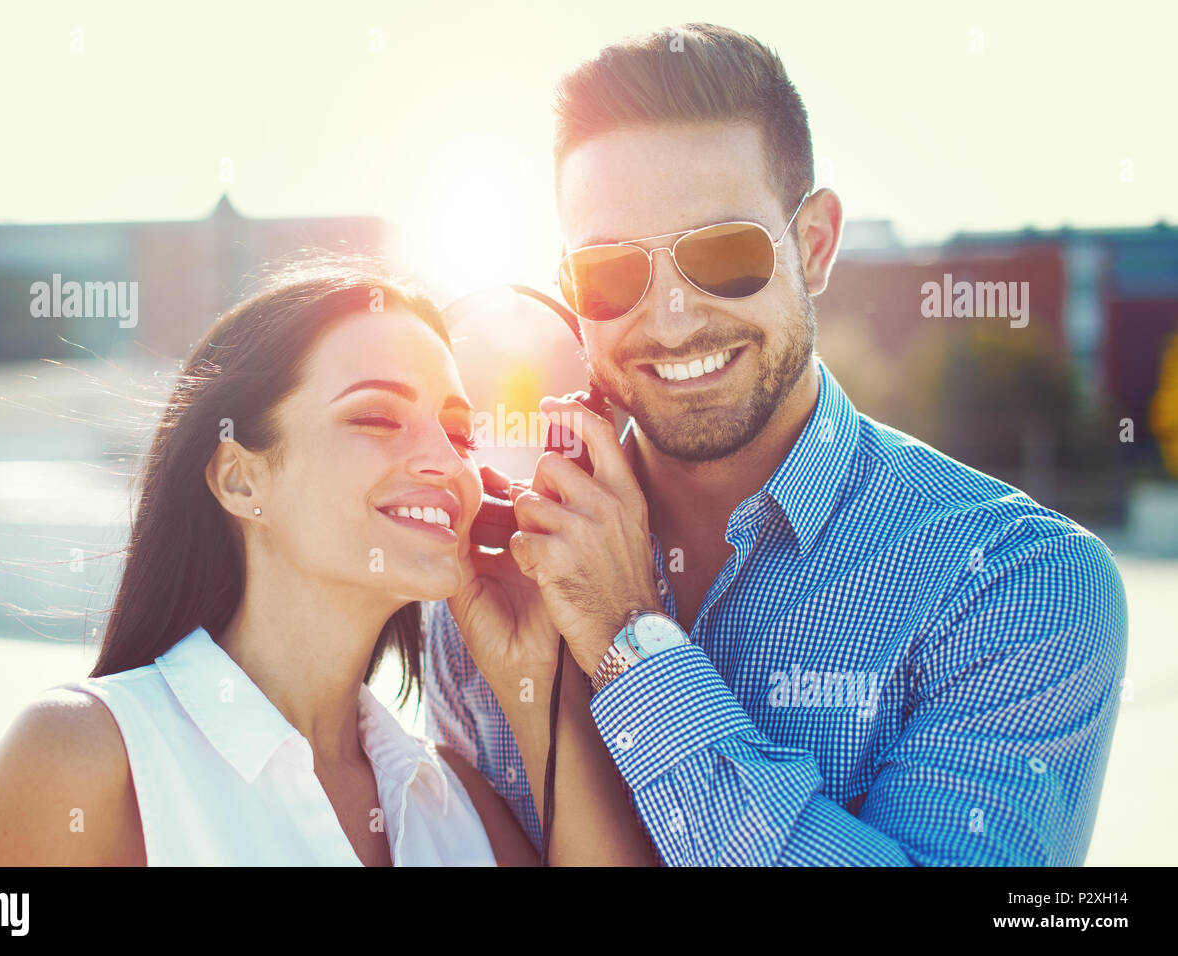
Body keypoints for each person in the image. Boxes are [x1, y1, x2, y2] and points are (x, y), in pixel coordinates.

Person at [426, 23, 1129, 866]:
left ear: (817, 244)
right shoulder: (498, 592)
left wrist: (627, 637)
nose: (672, 318)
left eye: (723, 255)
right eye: (612, 272)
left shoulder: (1018, 582)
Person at [0, 259, 651, 866]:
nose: (445, 462)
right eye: (377, 418)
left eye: (459, 432)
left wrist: (536, 686)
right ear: (240, 480)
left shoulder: (462, 810)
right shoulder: (89, 755)